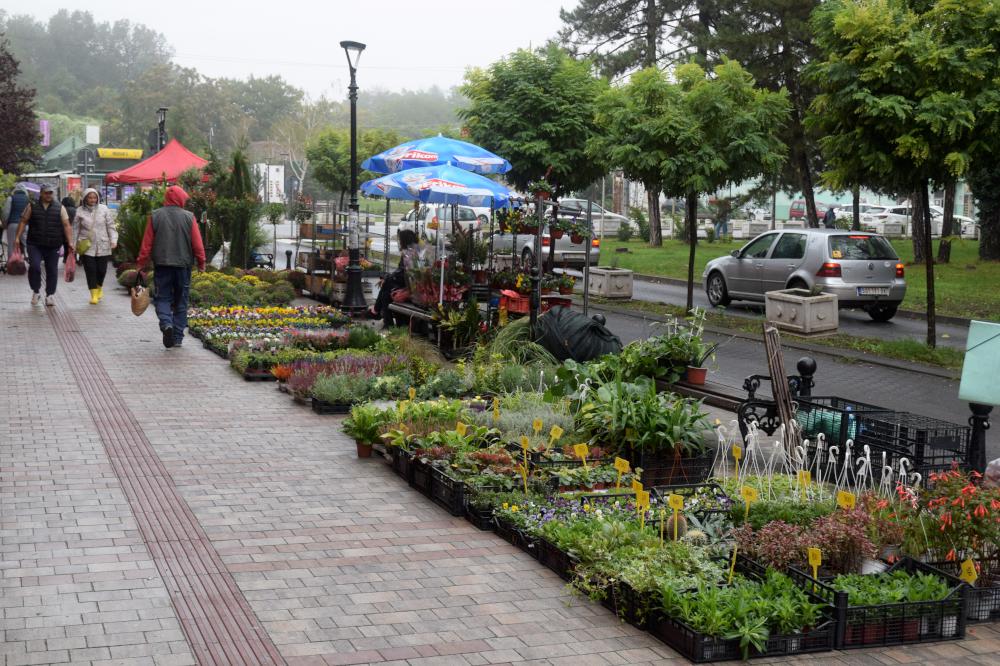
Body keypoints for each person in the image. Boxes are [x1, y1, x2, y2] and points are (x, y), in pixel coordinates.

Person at [136, 185, 206, 348]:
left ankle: (166, 324)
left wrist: (141, 263)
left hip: (162, 265)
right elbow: (197, 244)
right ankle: (177, 337)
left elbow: (147, 244)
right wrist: (201, 263)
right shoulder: (189, 217)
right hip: (183, 266)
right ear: (181, 198)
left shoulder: (155, 216)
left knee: (162, 298)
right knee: (181, 300)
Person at [13, 184, 74, 306]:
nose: (49, 195)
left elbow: (67, 225)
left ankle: (50, 295)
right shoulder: (32, 206)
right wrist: (17, 238)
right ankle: (36, 291)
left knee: (52, 270)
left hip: (53, 244)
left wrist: (70, 242)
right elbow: (23, 221)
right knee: (35, 266)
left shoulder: (60, 207)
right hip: (35, 243)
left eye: (50, 193)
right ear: (41, 193)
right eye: (46, 193)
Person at [72, 188, 118, 304]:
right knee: (90, 270)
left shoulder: (104, 209)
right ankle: (93, 294)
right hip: (86, 245)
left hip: (103, 244)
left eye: (94, 197)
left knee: (102, 270)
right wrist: (73, 243)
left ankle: (99, 287)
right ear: (85, 198)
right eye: (90, 197)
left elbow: (111, 226)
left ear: (97, 198)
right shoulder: (79, 211)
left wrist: (113, 240)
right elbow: (75, 229)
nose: (92, 200)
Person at [369, 228, 418, 325]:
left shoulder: (410, 254)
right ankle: (380, 316)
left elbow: (403, 273)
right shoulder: (411, 251)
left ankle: (378, 313)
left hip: (409, 287)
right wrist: (388, 277)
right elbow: (400, 272)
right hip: (405, 284)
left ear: (405, 241)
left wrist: (388, 278)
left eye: (400, 240)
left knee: (386, 290)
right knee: (386, 291)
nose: (399, 243)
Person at [3, 185, 30, 261]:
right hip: (25, 225)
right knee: (26, 243)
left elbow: (5, 213)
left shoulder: (10, 198)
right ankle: (31, 260)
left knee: (12, 244)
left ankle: (12, 264)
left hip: (13, 224)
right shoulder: (28, 200)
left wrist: (5, 224)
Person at [61, 195, 77, 263]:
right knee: (73, 245)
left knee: (65, 244)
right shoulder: (75, 210)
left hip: (64, 230)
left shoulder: (63, 209)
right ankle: (74, 258)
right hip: (73, 230)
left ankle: (65, 258)